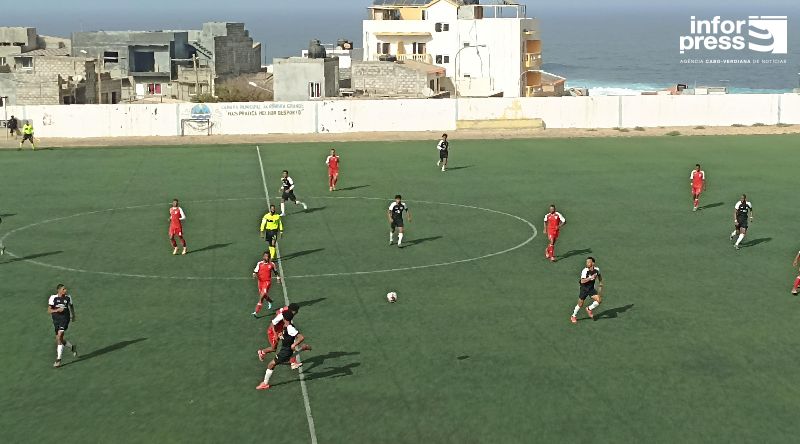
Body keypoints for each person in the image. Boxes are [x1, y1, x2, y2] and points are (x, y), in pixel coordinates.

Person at [256, 311, 312, 391]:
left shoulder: (290, 327)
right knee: (285, 359)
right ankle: (303, 348)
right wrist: (281, 335)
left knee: (271, 364)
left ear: (284, 318)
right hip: (285, 349)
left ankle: (265, 384)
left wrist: (294, 344)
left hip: (285, 351)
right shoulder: (286, 326)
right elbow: (288, 336)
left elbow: (301, 337)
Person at [257, 303, 302, 369]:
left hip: (281, 330)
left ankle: (293, 363)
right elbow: (273, 323)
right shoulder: (282, 315)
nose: (297, 312)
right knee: (273, 348)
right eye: (296, 311)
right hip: (273, 331)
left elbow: (278, 311)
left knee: (290, 342)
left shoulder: (287, 311)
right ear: (293, 311)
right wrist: (275, 335)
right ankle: (262, 352)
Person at [48, 284, 77, 368]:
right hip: (56, 320)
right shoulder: (53, 298)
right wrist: (57, 310)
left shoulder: (68, 297)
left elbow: (71, 306)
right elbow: (49, 310)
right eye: (64, 289)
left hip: (65, 319)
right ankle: (72, 347)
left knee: (60, 336)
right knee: (59, 339)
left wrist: (73, 316)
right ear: (59, 290)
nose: (66, 290)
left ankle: (58, 359)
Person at [570, 257, 603, 324]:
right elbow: (582, 281)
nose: (587, 263)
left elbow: (599, 275)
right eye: (586, 262)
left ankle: (589, 308)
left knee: (599, 300)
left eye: (588, 262)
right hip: (584, 289)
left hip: (591, 289)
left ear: (593, 263)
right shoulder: (585, 271)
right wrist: (590, 278)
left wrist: (600, 283)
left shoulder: (597, 269)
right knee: (580, 304)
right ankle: (573, 316)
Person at [252, 250, 281, 316]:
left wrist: (278, 277)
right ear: (263, 256)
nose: (266, 257)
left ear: (269, 257)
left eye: (267, 256)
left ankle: (256, 311)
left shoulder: (272, 264)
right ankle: (270, 301)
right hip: (260, 282)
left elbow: (275, 271)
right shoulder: (259, 263)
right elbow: (255, 270)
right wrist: (254, 274)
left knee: (262, 296)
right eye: (265, 256)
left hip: (267, 282)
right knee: (264, 295)